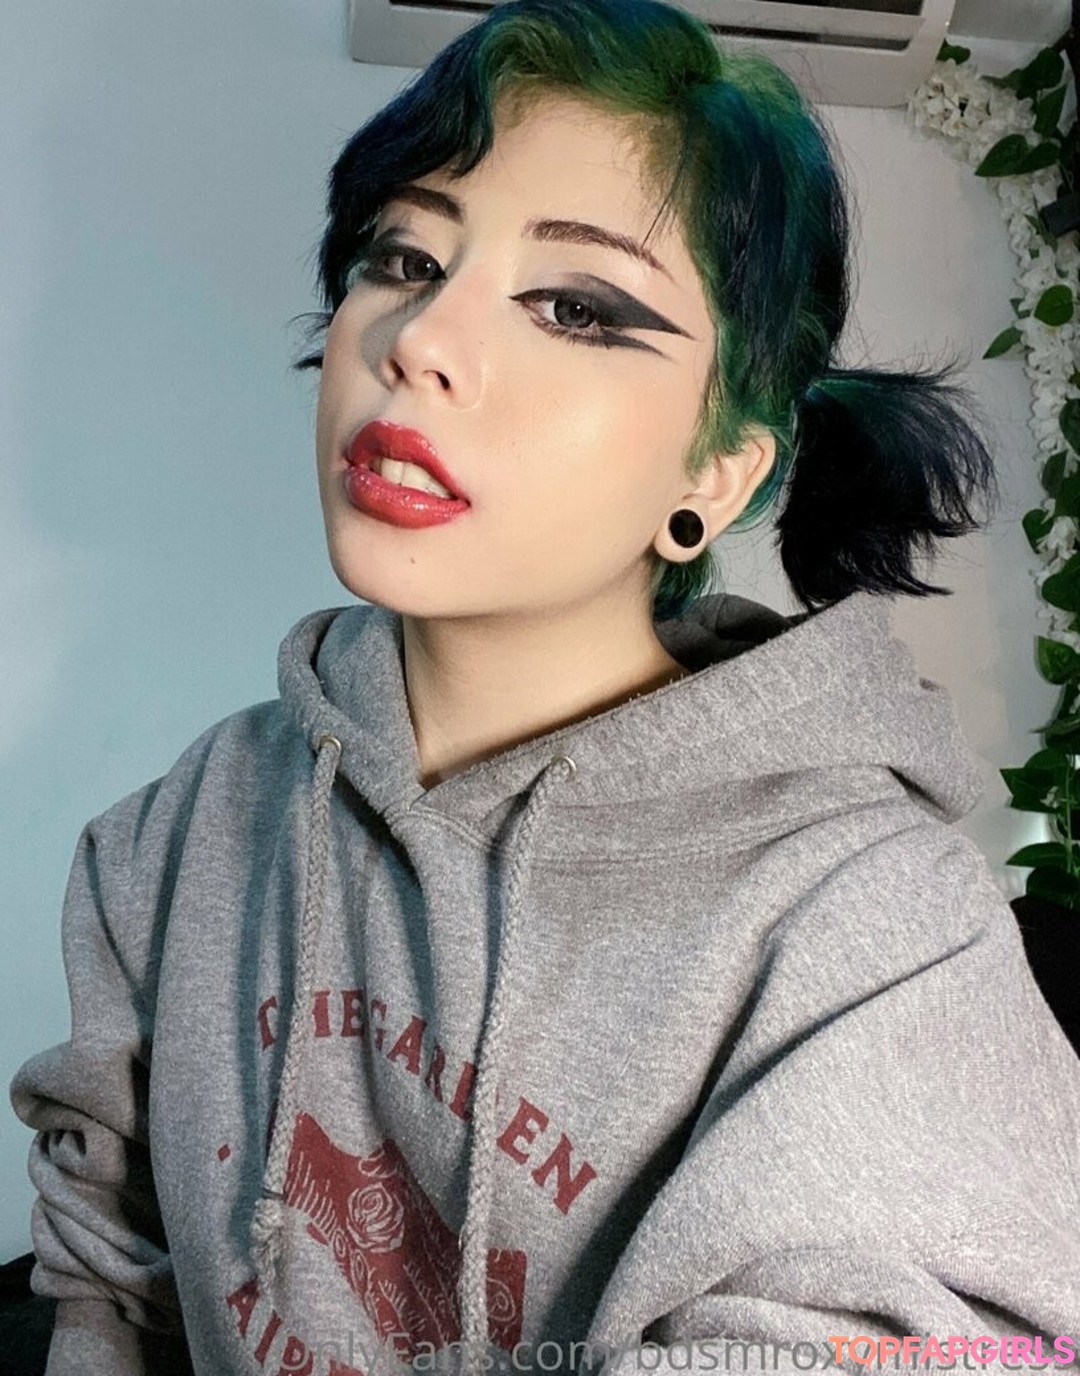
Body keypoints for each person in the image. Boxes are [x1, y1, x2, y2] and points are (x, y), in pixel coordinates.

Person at [10, 0, 1080, 1373]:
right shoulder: (181, 831)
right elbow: (110, 1283)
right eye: (405, 257)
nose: (419, 338)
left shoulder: (874, 931)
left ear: (718, 472)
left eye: (575, 306)